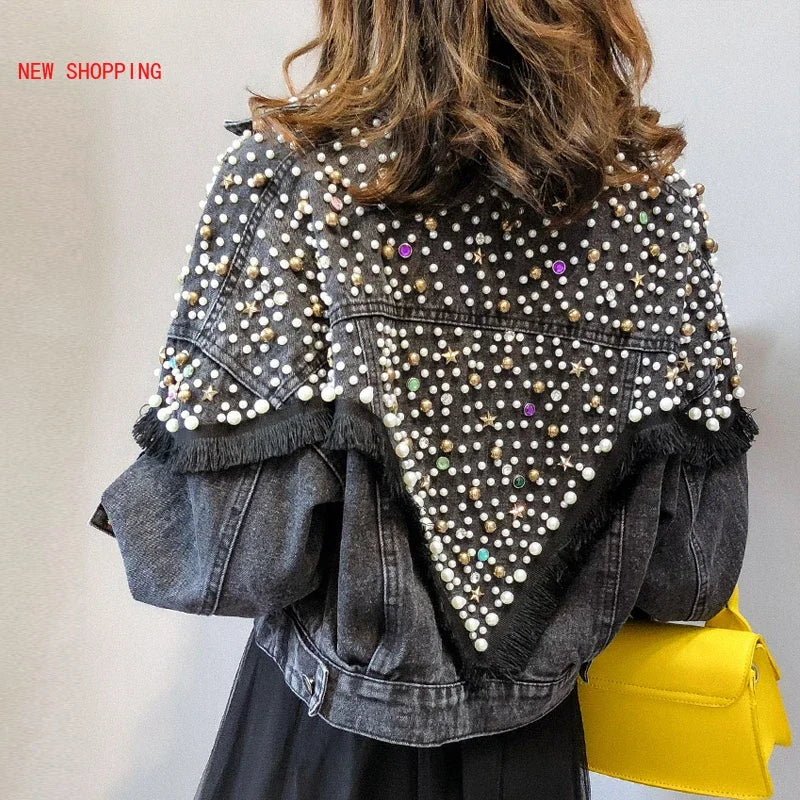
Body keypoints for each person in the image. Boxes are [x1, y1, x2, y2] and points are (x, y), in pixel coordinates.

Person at [89, 1, 758, 798]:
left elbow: (235, 562)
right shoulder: (654, 204)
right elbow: (691, 574)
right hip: (531, 750)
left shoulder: (288, 175)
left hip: (327, 740)